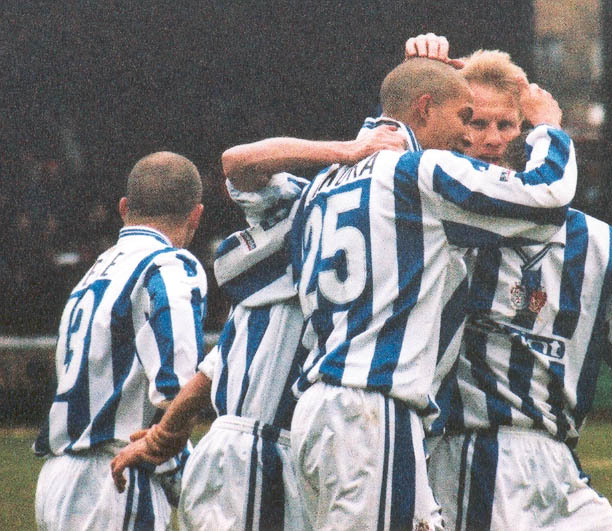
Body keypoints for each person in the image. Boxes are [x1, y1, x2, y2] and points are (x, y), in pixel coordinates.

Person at [406, 34, 612, 530]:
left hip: (558, 460)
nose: (492, 138)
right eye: (474, 122)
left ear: (527, 129)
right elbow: (383, 167)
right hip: (469, 454)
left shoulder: (595, 242)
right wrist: (416, 81)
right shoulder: (431, 225)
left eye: (506, 124)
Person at [284, 57, 576, 530]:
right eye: (464, 118)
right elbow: (547, 199)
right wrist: (548, 128)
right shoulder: (415, 172)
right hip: (370, 405)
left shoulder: (323, 184)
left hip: (323, 407)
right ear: (424, 109)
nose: (467, 135)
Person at [110, 128, 406, 529]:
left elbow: (217, 362)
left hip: (288, 453)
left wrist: (166, 433)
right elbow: (240, 163)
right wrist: (350, 151)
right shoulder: (314, 210)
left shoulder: (316, 266)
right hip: (260, 452)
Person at [33, 151, 208, 530]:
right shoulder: (169, 264)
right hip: (115, 478)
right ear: (196, 215)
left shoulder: (94, 274)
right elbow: (177, 392)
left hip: (57, 477)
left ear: (124, 208)